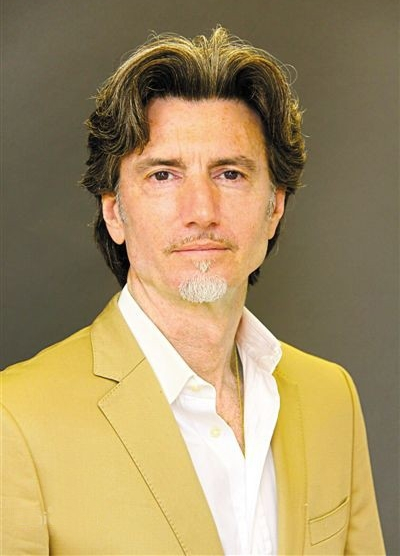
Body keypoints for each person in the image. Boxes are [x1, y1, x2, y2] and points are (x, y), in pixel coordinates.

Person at [1, 27, 385, 555]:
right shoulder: (16, 419)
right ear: (114, 212)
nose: (202, 211)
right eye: (164, 175)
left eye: (230, 174)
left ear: (274, 207)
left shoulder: (331, 398)